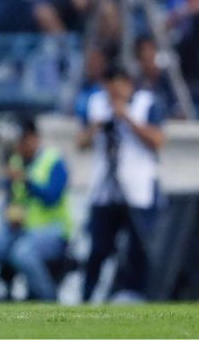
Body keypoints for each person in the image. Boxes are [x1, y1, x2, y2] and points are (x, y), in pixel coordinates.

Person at [79, 68, 165, 302]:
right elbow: (80, 142)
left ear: (129, 85)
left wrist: (126, 117)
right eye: (111, 86)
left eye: (120, 85)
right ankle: (86, 298)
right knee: (98, 249)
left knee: (140, 249)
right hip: (104, 190)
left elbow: (158, 140)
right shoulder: (96, 104)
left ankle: (141, 297)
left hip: (137, 189)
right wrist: (99, 124)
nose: (115, 92)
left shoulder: (145, 104)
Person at [0, 119, 71, 301]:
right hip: (18, 231)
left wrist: (25, 179)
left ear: (34, 138)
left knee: (22, 254)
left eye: (22, 139)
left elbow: (51, 197)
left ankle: (48, 300)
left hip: (52, 230)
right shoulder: (13, 162)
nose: (19, 145)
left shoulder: (53, 160)